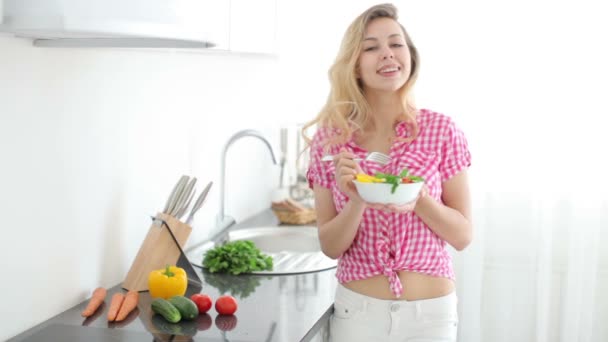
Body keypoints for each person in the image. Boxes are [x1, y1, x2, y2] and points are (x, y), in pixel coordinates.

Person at [303, 3, 472, 341]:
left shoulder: (441, 129)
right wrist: (356, 199)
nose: (388, 54)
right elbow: (331, 246)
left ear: (410, 55)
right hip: (358, 315)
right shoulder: (329, 138)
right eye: (371, 47)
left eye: (396, 43)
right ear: (354, 64)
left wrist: (418, 198)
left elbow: (462, 235)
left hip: (431, 317)